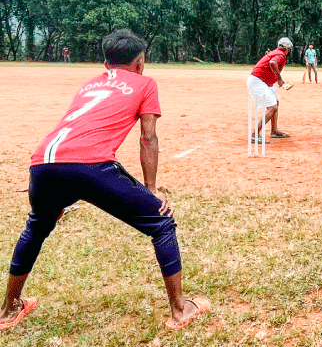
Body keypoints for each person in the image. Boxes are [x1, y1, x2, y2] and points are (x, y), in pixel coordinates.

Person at [0, 31, 209, 331]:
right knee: (162, 223)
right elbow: (148, 136)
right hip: (90, 163)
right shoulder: (146, 83)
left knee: (37, 225)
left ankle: (9, 309)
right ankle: (179, 311)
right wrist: (151, 189)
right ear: (140, 63)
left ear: (105, 63)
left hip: (43, 163)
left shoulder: (90, 83)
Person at [247, 37, 293, 141]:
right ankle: (254, 134)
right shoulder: (281, 54)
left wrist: (277, 79)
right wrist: (279, 78)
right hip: (258, 81)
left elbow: (270, 66)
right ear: (288, 49)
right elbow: (272, 63)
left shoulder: (276, 52)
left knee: (275, 102)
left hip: (263, 81)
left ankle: (274, 131)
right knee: (272, 107)